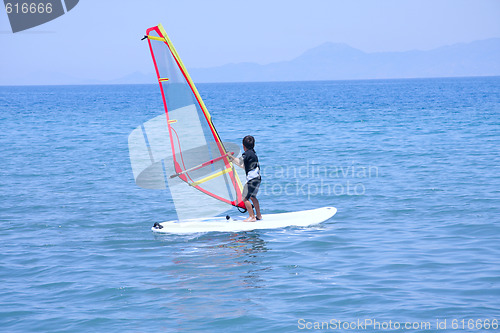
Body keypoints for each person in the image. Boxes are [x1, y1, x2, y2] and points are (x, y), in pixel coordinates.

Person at [229, 135, 262, 222]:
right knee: (253, 197)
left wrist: (231, 156)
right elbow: (243, 166)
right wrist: (232, 159)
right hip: (257, 178)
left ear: (243, 146)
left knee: (244, 198)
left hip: (252, 179)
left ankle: (252, 217)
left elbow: (240, 161)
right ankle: (258, 215)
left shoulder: (246, 154)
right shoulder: (253, 153)